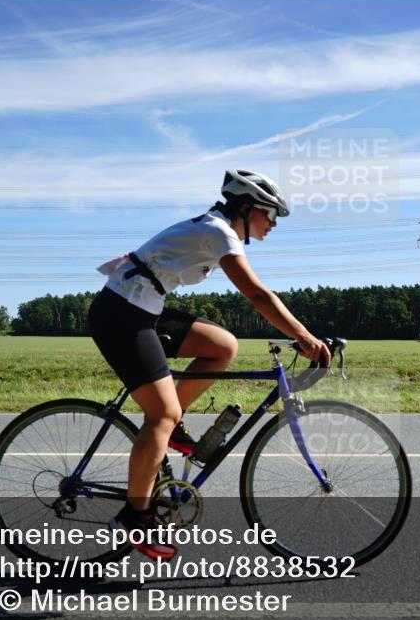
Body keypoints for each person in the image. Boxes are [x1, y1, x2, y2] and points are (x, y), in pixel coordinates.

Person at [87, 169, 331, 560]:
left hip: (144, 308)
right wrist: (303, 336)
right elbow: (256, 293)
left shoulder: (218, 229)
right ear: (247, 207)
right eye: (271, 215)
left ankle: (171, 426)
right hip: (121, 314)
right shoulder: (220, 231)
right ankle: (136, 516)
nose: (273, 224)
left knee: (222, 346)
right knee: (160, 413)